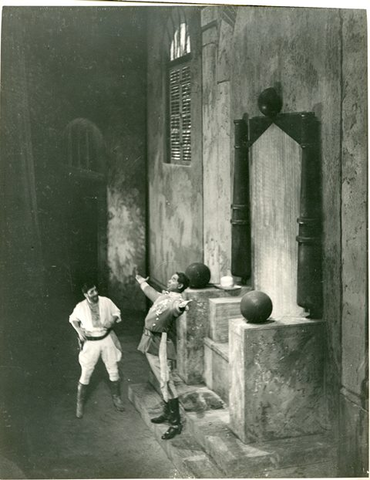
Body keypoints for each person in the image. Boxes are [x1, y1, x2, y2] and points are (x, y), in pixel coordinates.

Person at [135, 272, 191, 440]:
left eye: (173, 279)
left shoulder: (177, 301)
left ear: (180, 285)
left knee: (166, 380)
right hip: (149, 340)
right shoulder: (162, 296)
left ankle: (176, 423)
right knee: (162, 379)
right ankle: (168, 413)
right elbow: (149, 291)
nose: (169, 280)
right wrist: (141, 282)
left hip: (160, 343)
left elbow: (177, 309)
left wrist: (181, 307)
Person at [69, 281, 125, 419]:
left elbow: (117, 312)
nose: (95, 294)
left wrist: (112, 320)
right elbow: (72, 319)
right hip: (91, 342)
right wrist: (79, 331)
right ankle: (80, 403)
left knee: (113, 369)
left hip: (106, 338)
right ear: (85, 294)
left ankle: (117, 398)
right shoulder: (80, 307)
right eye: (91, 292)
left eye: (95, 290)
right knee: (86, 371)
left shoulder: (106, 301)